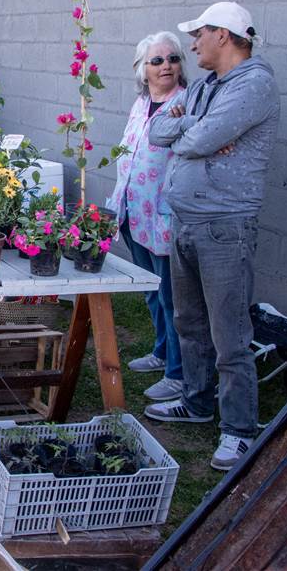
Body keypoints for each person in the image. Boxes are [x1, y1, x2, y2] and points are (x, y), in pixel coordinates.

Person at [145, 2, 279, 472]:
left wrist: (196, 134)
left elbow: (200, 141)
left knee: (230, 333)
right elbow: (159, 128)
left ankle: (239, 429)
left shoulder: (254, 84)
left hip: (225, 226)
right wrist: (193, 128)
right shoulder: (204, 87)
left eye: (199, 35)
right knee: (190, 321)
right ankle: (198, 403)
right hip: (186, 220)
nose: (193, 44)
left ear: (223, 35)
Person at [106, 32, 188, 403]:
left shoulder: (184, 103)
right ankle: (161, 351)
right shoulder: (141, 104)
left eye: (172, 58)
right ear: (143, 70)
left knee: (171, 296)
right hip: (133, 209)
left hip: (163, 215)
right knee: (151, 291)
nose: (166, 65)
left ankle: (178, 372)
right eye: (157, 61)